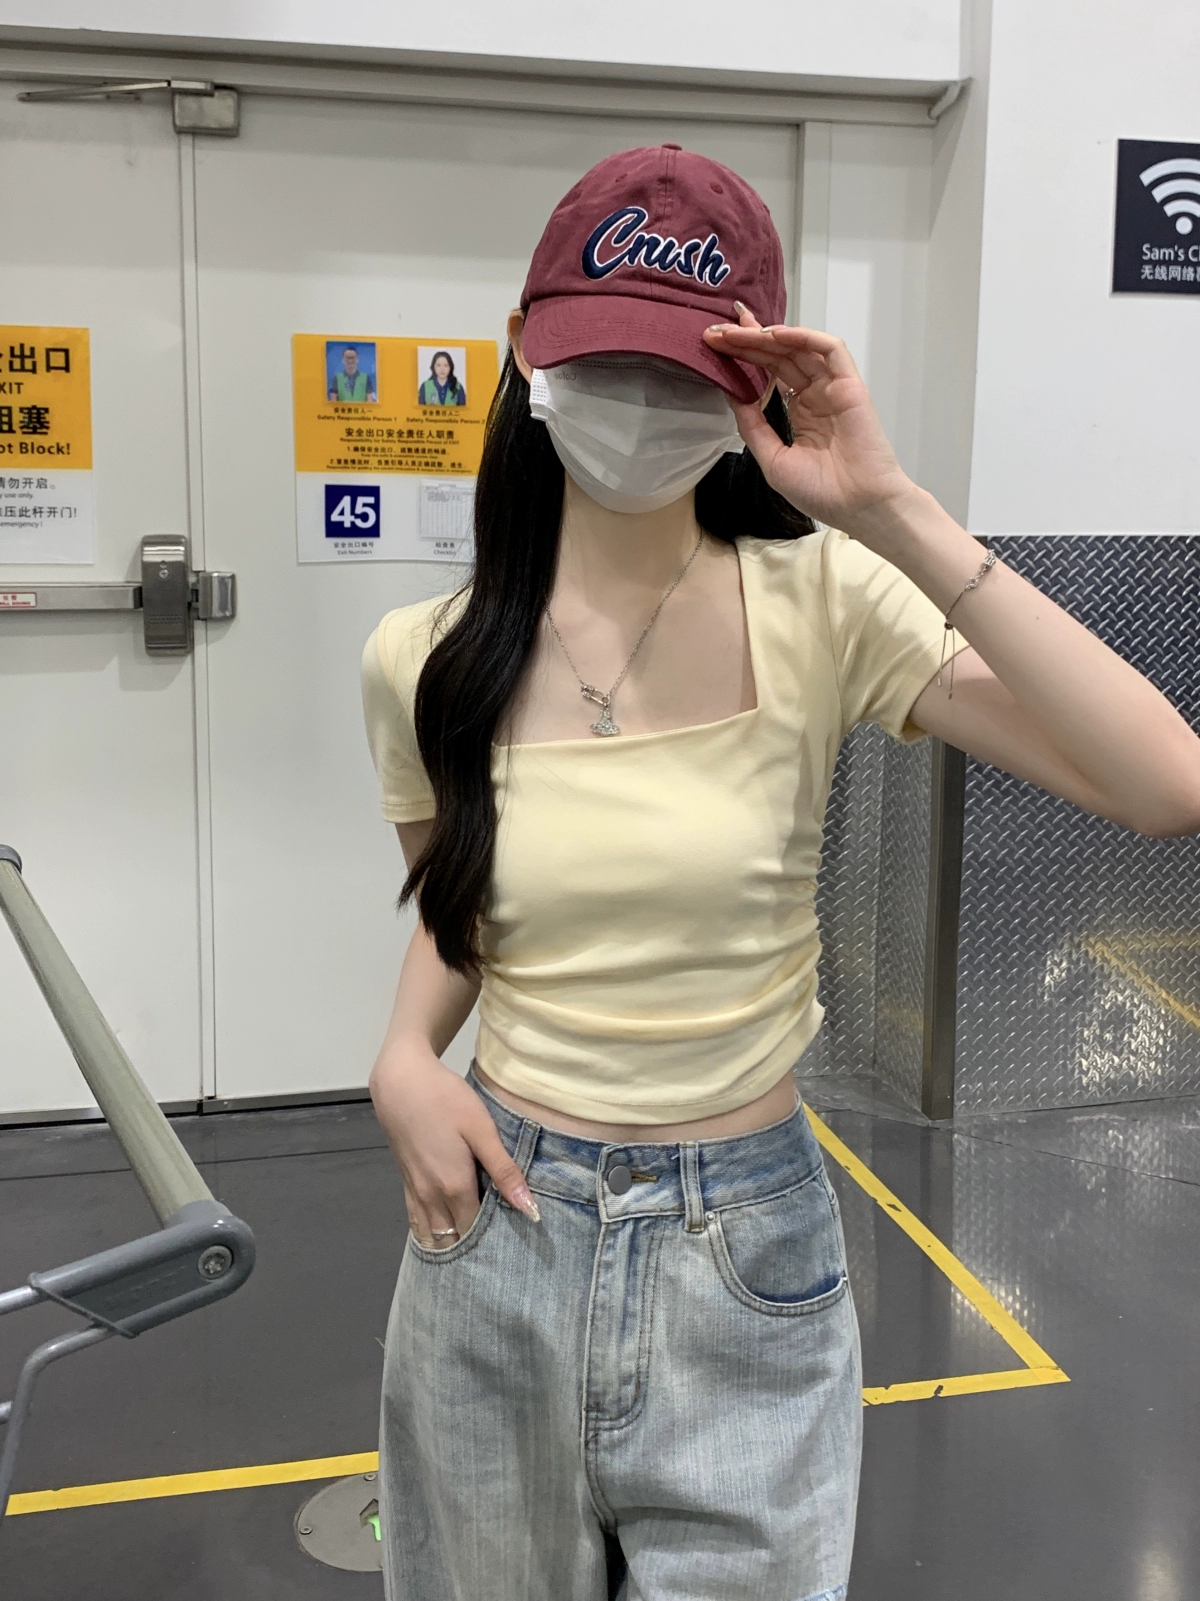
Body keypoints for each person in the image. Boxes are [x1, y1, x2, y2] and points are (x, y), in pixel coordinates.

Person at [360, 146, 1200, 1601]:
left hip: (744, 1250)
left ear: (753, 384)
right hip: (498, 1224)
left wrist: (889, 505)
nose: (640, 405)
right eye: (607, 362)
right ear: (526, 351)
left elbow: (1163, 784)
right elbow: (464, 913)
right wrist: (399, 1059)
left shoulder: (829, 599)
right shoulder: (427, 656)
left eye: (684, 371)